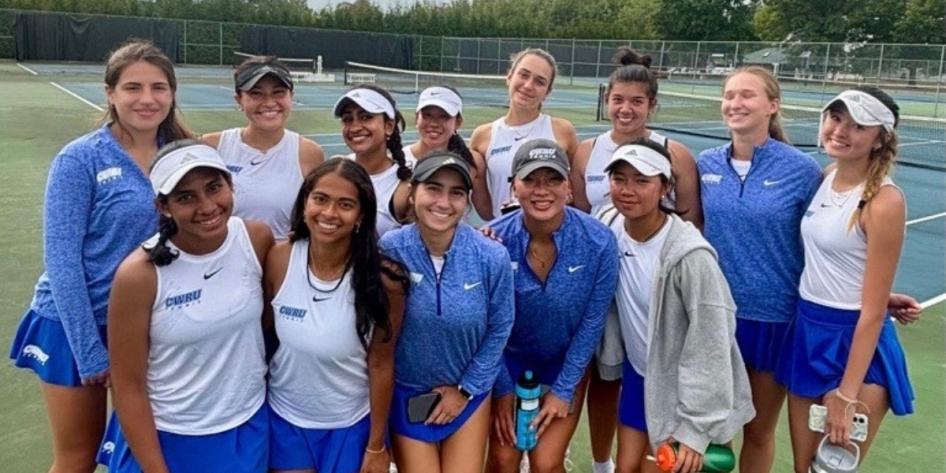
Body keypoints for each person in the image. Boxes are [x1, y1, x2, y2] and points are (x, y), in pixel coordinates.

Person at [8, 40, 191, 473]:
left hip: (145, 323)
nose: (147, 99)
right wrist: (90, 350)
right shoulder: (80, 159)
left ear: (171, 94)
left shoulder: (183, 154)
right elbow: (62, 261)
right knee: (78, 459)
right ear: (110, 93)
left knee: (143, 451)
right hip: (76, 322)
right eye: (133, 87)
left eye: (158, 87)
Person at [106, 140, 274, 472]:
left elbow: (268, 325)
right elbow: (127, 385)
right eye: (186, 197)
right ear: (163, 206)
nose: (207, 206)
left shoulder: (256, 239)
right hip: (170, 438)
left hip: (247, 428)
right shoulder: (138, 275)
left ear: (231, 185)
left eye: (215, 188)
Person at [571, 47, 702, 473]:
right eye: (618, 99)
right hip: (606, 292)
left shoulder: (676, 153)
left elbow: (689, 226)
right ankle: (601, 462)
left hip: (656, 294)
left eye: (637, 101)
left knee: (660, 377)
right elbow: (575, 222)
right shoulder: (586, 151)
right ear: (607, 99)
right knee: (608, 379)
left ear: (652, 105)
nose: (626, 109)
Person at [776, 88, 914, 472]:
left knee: (830, 469)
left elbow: (869, 314)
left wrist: (846, 393)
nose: (841, 130)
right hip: (808, 332)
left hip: (857, 348)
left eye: (858, 125)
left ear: (881, 137)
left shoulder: (885, 202)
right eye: (836, 118)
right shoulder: (827, 175)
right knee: (803, 467)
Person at [597, 140, 754, 473]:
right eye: (619, 178)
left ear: (665, 187)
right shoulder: (608, 224)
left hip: (687, 393)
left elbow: (712, 343)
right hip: (641, 377)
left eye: (642, 181)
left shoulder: (692, 257)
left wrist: (696, 430)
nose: (628, 190)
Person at [697, 65, 823, 473]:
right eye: (729, 95)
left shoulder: (802, 171)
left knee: (758, 431)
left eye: (747, 95)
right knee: (715, 432)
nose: (735, 103)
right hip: (716, 318)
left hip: (775, 320)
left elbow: (824, 243)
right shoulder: (704, 164)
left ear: (772, 105)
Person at [265, 157, 407, 473]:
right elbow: (265, 335)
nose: (329, 213)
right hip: (286, 421)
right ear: (304, 203)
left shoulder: (384, 281)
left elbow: (382, 363)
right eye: (320, 199)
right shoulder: (279, 259)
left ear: (360, 216)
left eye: (345, 204)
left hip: (349, 425)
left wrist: (376, 445)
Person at [486, 139, 619, 473]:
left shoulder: (599, 241)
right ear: (513, 187)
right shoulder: (491, 242)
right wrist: (502, 389)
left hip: (565, 367)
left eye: (553, 180)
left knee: (546, 463)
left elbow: (591, 323)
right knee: (503, 459)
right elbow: (488, 327)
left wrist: (563, 390)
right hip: (507, 366)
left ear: (568, 188)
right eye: (530, 180)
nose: (541, 190)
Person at [379, 152, 515, 473]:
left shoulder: (490, 255)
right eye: (433, 189)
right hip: (408, 394)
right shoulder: (390, 248)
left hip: (468, 394)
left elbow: (500, 328)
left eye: (456, 193)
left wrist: (465, 390)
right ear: (413, 194)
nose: (444, 202)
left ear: (467, 202)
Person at [202, 55, 324, 240]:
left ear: (291, 96)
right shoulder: (211, 147)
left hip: (283, 265)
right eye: (256, 93)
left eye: (278, 92)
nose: (269, 103)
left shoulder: (310, 153)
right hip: (221, 265)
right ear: (239, 100)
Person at [470, 48, 579, 219]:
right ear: (509, 76)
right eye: (523, 75)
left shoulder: (563, 131)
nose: (528, 86)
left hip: (551, 235)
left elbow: (575, 188)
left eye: (540, 82)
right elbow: (484, 205)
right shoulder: (483, 136)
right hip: (504, 238)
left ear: (547, 93)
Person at [334, 85, 413, 236]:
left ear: (389, 126)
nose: (355, 127)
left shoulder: (404, 188)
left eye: (366, 117)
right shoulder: (336, 169)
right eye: (348, 119)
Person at [404, 85, 492, 221]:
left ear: (458, 122)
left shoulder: (473, 162)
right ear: (417, 118)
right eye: (427, 115)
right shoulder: (399, 160)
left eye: (443, 117)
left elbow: (487, 214)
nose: (433, 123)